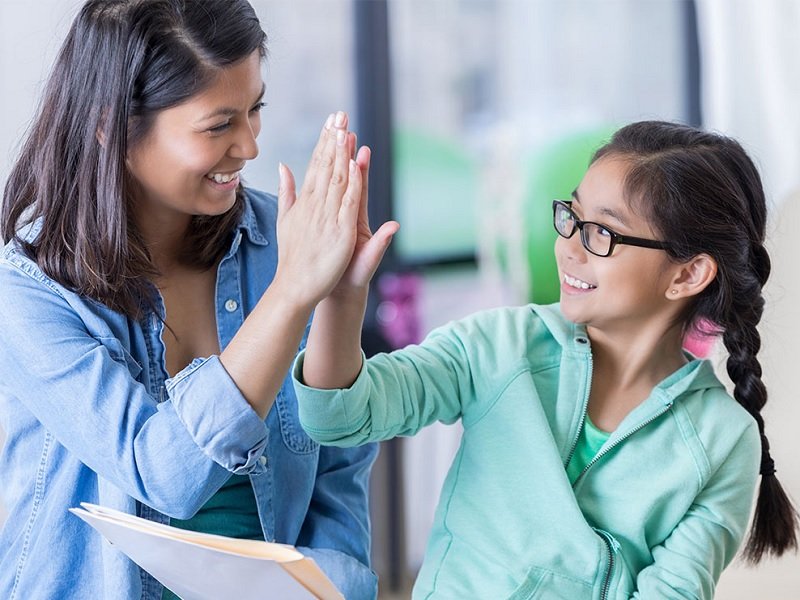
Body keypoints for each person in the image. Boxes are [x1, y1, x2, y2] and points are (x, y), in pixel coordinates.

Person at [293, 120, 800, 598]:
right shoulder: (502, 344)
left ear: (687, 275)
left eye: (602, 233)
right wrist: (340, 295)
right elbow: (339, 417)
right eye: (571, 217)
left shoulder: (722, 439)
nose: (568, 248)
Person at [0, 1, 392, 598]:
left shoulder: (283, 238)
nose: (250, 147)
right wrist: (291, 295)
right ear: (114, 126)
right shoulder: (29, 287)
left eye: (256, 109)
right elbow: (162, 472)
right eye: (219, 125)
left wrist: (339, 300)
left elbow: (336, 464)